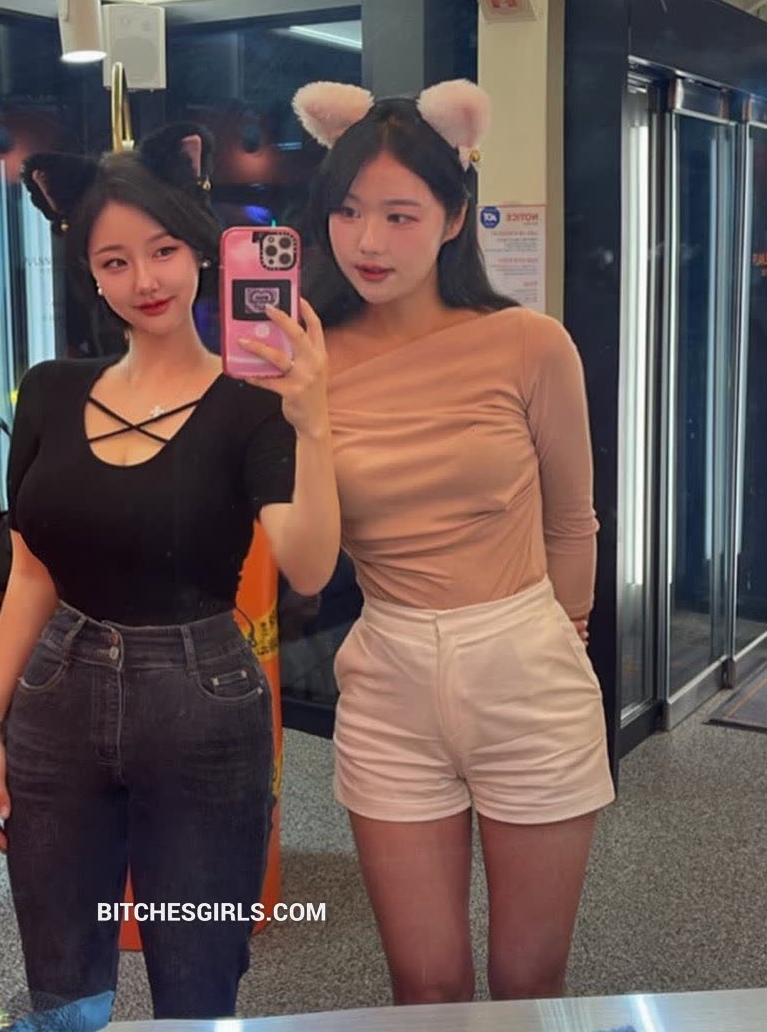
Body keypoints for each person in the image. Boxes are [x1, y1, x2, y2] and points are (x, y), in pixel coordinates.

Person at [0, 124, 340, 1019]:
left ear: (202, 252)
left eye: (164, 249)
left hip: (201, 702)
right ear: (91, 274)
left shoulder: (253, 404)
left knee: (199, 981)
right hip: (57, 695)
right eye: (116, 260)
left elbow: (310, 565)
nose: (146, 279)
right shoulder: (49, 389)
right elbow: (33, 574)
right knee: (61, 978)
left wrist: (315, 420)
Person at [292, 79, 615, 1005]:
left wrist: (562, 637)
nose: (368, 240)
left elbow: (572, 520)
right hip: (388, 674)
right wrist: (302, 411)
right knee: (425, 985)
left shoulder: (530, 344)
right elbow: (307, 565)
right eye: (348, 211)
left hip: (525, 657)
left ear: (453, 217)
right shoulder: (307, 358)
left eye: (400, 214)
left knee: (528, 980)